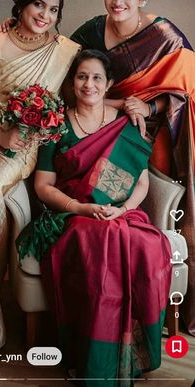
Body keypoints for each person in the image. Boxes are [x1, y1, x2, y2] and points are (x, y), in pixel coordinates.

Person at [17, 50, 172, 386]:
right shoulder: (56, 129)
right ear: (72, 82)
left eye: (97, 77)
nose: (89, 84)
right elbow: (44, 187)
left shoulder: (123, 126)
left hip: (121, 212)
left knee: (146, 244)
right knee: (103, 240)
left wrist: (125, 209)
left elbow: (141, 180)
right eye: (82, 76)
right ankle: (91, 359)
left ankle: (130, 356)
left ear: (109, 84)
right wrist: (81, 208)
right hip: (73, 216)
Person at [0, 0, 80, 357]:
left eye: (53, 9)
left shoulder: (65, 50)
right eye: (38, 4)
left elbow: (93, 82)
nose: (45, 15)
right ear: (21, 3)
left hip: (22, 149)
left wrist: (131, 105)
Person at [69, 0, 195, 334]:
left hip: (156, 132)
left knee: (145, 202)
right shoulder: (91, 31)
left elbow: (184, 90)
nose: (118, 2)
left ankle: (152, 309)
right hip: (100, 125)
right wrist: (15, 26)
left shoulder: (164, 36)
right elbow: (65, 69)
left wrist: (148, 109)